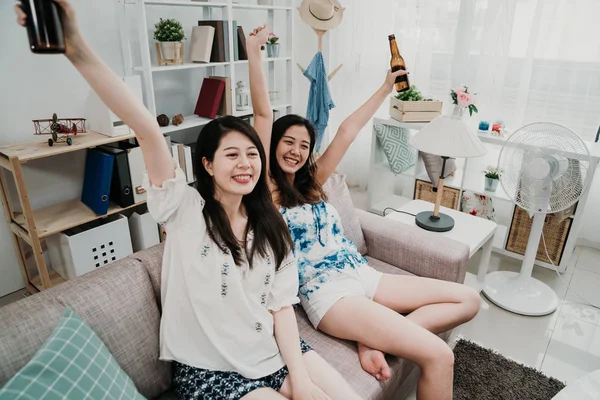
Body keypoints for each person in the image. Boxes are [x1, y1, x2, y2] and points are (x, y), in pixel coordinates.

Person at [14, 3, 363, 400]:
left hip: (273, 352)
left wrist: (299, 379)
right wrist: (75, 45)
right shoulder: (185, 211)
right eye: (231, 155)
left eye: (251, 154)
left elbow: (282, 308)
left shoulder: (270, 221)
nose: (245, 163)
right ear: (207, 165)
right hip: (211, 369)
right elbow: (145, 126)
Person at [253, 68, 482, 400]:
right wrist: (257, 55)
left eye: (304, 145)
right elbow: (261, 116)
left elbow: (348, 130)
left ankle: (373, 339)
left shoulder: (313, 184)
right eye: (287, 141)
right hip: (329, 295)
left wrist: (386, 88)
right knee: (439, 355)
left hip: (362, 274)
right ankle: (376, 333)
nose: (296, 150)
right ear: (272, 145)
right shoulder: (267, 194)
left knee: (469, 299)